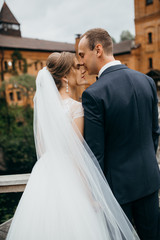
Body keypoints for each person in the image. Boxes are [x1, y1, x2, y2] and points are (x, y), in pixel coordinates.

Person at [6, 52, 140, 240]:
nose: (81, 69)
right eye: (76, 67)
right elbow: (77, 154)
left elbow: (43, 148)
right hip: (71, 178)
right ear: (64, 77)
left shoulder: (44, 109)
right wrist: (90, 196)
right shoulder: (76, 108)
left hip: (44, 175)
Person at [78, 28, 160, 240]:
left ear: (98, 50)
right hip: (150, 181)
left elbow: (95, 153)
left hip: (117, 193)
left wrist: (96, 195)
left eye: (81, 54)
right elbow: (155, 132)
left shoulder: (93, 95)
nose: (80, 62)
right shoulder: (147, 82)